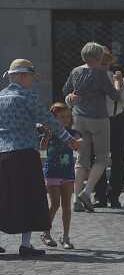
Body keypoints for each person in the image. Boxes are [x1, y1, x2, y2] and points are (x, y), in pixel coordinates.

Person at [0, 59, 81, 256]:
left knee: (3, 195)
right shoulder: (27, 96)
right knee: (29, 196)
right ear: (21, 76)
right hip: (24, 152)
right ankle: (25, 245)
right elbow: (48, 120)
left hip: (2, 151)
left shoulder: (1, 96)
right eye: (30, 77)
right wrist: (69, 139)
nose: (32, 82)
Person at [62, 42, 123, 213]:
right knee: (102, 158)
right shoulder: (101, 73)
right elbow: (115, 96)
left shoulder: (76, 71)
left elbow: (66, 91)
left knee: (81, 160)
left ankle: (75, 199)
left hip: (79, 118)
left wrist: (70, 98)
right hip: (98, 119)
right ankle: (87, 192)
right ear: (99, 57)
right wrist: (118, 82)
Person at [93, 47, 124, 209]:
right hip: (97, 121)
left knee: (119, 159)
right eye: (100, 62)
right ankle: (100, 195)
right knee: (97, 159)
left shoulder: (118, 79)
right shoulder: (89, 78)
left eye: (106, 62)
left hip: (117, 120)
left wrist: (120, 84)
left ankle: (114, 195)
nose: (103, 66)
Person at [40, 103, 80, 249]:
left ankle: (65, 237)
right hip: (52, 172)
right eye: (62, 117)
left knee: (66, 206)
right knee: (55, 203)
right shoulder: (50, 132)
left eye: (68, 116)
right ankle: (46, 232)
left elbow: (77, 146)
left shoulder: (73, 132)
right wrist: (46, 135)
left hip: (67, 172)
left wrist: (79, 142)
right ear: (54, 118)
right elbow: (43, 147)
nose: (66, 119)